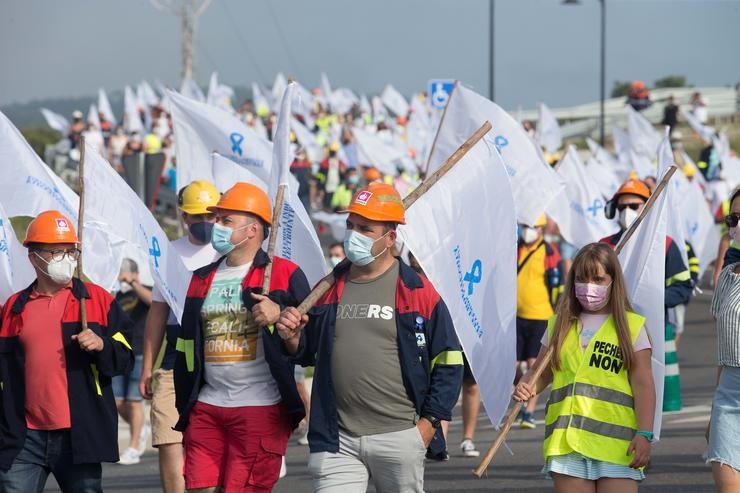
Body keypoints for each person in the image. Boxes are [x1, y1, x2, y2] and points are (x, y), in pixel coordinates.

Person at [276, 182, 464, 493]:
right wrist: (292, 336)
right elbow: (304, 352)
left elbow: (448, 360)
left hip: (401, 437)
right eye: (351, 225)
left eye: (365, 228)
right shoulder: (327, 287)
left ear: (390, 238)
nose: (353, 235)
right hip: (336, 439)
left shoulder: (418, 291)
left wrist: (427, 427)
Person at [173, 182, 310, 492]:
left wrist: (282, 321)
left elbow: (306, 348)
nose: (215, 227)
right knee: (198, 487)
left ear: (252, 230)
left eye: (225, 221)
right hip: (206, 407)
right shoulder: (201, 277)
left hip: (259, 408)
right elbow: (187, 342)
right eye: (216, 219)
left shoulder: (283, 274)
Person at [0, 210, 134, 492]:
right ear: (33, 257)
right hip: (24, 438)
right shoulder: (13, 307)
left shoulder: (96, 300)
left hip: (79, 434)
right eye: (55, 252)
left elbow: (125, 358)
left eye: (69, 251)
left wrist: (102, 345)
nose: (65, 259)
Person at [514, 243, 655, 492]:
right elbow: (541, 372)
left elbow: (643, 384)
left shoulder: (632, 327)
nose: (589, 286)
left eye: (598, 279)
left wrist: (644, 434)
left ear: (614, 282)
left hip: (617, 446)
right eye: (582, 278)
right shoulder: (559, 325)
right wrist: (527, 386)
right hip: (567, 445)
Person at [138, 180, 221, 493]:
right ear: (183, 217)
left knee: (212, 442)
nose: (204, 223)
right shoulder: (169, 253)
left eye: (210, 216)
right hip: (176, 357)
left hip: (218, 353)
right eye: (196, 216)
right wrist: (147, 367)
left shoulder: (231, 253)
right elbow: (157, 313)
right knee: (169, 438)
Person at [601, 179, 692, 311]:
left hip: (651, 325)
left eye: (633, 206)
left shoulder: (665, 245)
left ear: (648, 207)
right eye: (621, 207)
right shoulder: (604, 245)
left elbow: (682, 286)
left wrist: (653, 300)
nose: (626, 212)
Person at [705, 187, 740, 492]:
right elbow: (722, 353)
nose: (739, 224)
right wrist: (713, 413)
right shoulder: (728, 276)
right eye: (735, 217)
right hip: (729, 395)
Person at [516, 214, 564, 429]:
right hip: (515, 316)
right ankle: (521, 396)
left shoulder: (550, 252)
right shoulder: (514, 248)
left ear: (542, 229)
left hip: (541, 316)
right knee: (517, 365)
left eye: (533, 226)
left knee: (535, 364)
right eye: (525, 225)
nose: (528, 230)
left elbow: (559, 284)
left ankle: (528, 411)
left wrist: (558, 311)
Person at [113, 258, 152, 466]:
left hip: (140, 352)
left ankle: (134, 447)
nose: (122, 278)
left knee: (134, 403)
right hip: (122, 354)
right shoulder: (119, 296)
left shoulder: (145, 290)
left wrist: (135, 283)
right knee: (117, 401)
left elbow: (153, 302)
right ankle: (141, 429)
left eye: (125, 273)